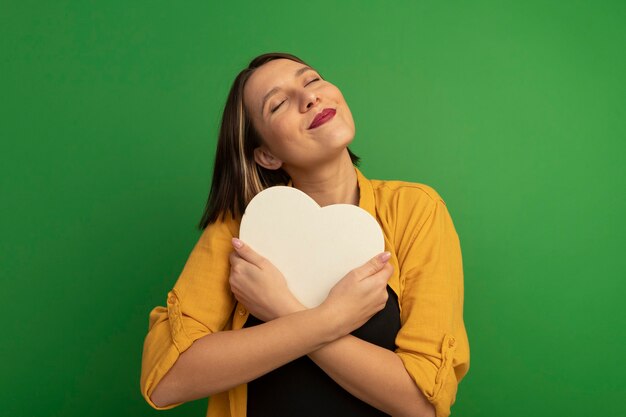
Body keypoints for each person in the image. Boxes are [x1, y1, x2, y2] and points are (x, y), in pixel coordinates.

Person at [140, 52, 469, 417]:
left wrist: (282, 308)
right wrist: (330, 319)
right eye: (279, 104)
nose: (310, 97)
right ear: (266, 155)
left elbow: (420, 404)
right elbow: (167, 378)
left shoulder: (415, 210)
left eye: (311, 80)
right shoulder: (239, 228)